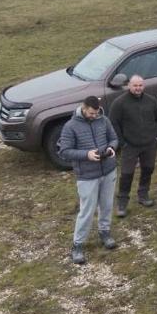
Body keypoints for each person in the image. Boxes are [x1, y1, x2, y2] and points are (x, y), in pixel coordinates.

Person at [59, 96, 119, 264]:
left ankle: (104, 232)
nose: (94, 115)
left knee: (107, 205)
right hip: (87, 176)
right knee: (87, 211)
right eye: (92, 113)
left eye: (97, 112)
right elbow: (64, 151)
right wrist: (86, 155)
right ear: (83, 108)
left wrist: (111, 147)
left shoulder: (103, 119)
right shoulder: (70, 127)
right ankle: (77, 245)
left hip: (108, 170)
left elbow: (114, 138)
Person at [109, 75, 157, 217]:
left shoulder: (151, 101)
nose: (138, 88)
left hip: (149, 143)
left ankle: (143, 194)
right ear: (129, 86)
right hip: (130, 145)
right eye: (135, 85)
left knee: (148, 169)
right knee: (127, 174)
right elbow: (113, 123)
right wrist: (122, 142)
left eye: (140, 85)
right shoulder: (119, 103)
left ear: (143, 86)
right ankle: (122, 202)